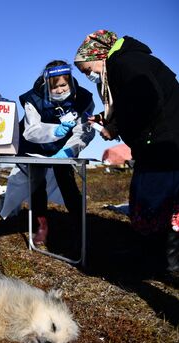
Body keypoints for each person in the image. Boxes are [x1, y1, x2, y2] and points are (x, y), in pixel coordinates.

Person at [74, 30, 179, 273]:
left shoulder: (124, 63)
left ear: (96, 54)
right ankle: (166, 261)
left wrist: (115, 127)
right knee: (166, 202)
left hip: (161, 145)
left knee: (150, 201)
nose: (89, 75)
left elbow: (146, 98)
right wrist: (107, 118)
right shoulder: (130, 61)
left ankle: (153, 262)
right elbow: (134, 101)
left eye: (86, 69)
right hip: (164, 143)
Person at [12, 60, 95, 247]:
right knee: (37, 184)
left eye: (63, 85)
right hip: (36, 148)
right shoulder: (33, 99)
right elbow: (30, 131)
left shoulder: (83, 98)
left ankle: (81, 225)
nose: (59, 90)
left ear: (70, 81)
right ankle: (41, 227)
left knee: (67, 183)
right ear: (45, 83)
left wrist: (69, 150)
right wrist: (54, 132)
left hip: (63, 148)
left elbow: (84, 130)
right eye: (53, 87)